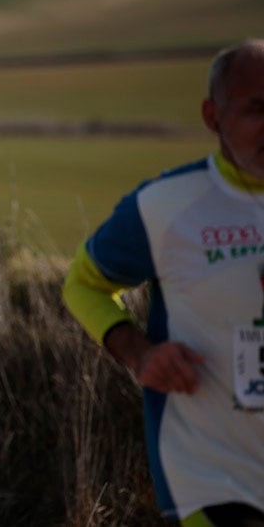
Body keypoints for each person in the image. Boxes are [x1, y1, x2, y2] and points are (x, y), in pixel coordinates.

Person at [61, 38, 264, 526]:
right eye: (257, 109)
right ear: (212, 117)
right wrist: (139, 353)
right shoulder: (164, 207)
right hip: (210, 475)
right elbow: (81, 285)